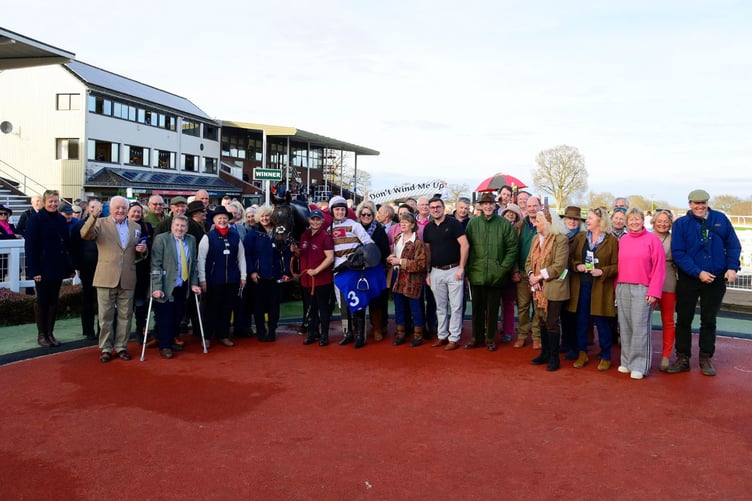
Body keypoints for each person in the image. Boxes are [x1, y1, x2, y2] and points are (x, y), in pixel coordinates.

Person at [667, 189, 741, 376]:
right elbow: (678, 253)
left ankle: (705, 357)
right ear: (690, 204)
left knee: (709, 320)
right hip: (689, 279)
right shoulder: (681, 224)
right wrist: (698, 272)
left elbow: (733, 244)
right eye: (696, 203)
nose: (700, 206)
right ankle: (683, 357)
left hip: (715, 278)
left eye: (703, 203)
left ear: (707, 203)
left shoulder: (720, 219)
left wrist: (732, 267)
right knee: (684, 319)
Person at [80, 196, 148, 362]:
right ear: (110, 209)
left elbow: (138, 252)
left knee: (126, 315)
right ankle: (106, 348)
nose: (120, 211)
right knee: (105, 316)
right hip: (106, 276)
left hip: (128, 276)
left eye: (123, 208)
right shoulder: (100, 223)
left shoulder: (136, 226)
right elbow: (85, 234)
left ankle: (121, 347)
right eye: (117, 208)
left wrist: (143, 250)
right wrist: (93, 216)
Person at [615, 208, 666, 379]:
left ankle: (639, 364)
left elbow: (659, 267)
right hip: (623, 286)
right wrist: (617, 288)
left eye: (637, 219)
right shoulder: (623, 239)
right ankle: (627, 361)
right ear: (627, 222)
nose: (634, 222)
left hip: (642, 288)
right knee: (625, 326)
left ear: (643, 221)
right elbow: (619, 265)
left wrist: (654, 291)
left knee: (640, 327)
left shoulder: (653, 240)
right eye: (631, 219)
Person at [464, 192, 518, 351]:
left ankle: (490, 339)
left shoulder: (504, 224)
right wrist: (467, 270)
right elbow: (466, 248)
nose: (487, 206)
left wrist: (503, 269)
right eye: (484, 203)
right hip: (476, 273)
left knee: (493, 309)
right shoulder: (473, 224)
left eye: (490, 203)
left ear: (495, 205)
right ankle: (476, 337)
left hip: (497, 275)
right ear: (480, 206)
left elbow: (512, 248)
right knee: (477, 309)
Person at [567, 207, 619, 370]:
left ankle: (606, 355)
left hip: (601, 286)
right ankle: (582, 352)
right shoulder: (581, 237)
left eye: (590, 218)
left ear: (600, 221)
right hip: (582, 285)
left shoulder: (611, 241)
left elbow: (617, 265)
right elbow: (571, 259)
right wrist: (578, 266)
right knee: (581, 320)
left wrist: (602, 271)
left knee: (602, 321)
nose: (586, 221)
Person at [329, 195, 379, 348]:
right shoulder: (328, 228)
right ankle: (347, 333)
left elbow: (369, 243)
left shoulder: (354, 225)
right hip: (337, 269)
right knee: (342, 303)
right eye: (337, 209)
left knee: (357, 302)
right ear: (332, 211)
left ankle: (360, 335)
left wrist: (356, 257)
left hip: (352, 268)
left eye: (342, 209)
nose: (340, 212)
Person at [24, 190, 73, 348]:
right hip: (42, 268)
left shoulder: (60, 219)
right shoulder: (35, 220)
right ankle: (42, 334)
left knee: (53, 301)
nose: (53, 204)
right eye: (50, 201)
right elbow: (30, 247)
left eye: (55, 201)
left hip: (57, 266)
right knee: (42, 301)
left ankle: (50, 333)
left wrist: (69, 266)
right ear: (44, 202)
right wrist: (35, 271)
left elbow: (65, 245)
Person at [150, 215, 202, 359]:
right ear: (172, 226)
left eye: (183, 226)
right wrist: (157, 287)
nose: (180, 228)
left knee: (177, 315)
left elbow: (193, 265)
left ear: (187, 228)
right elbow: (156, 264)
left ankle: (172, 339)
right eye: (177, 225)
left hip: (182, 285)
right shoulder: (162, 239)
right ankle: (165, 346)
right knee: (164, 317)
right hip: (165, 285)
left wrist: (193, 283)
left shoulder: (191, 240)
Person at [525, 210, 570, 371]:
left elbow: (559, 266)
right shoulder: (536, 239)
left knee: (551, 323)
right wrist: (532, 275)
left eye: (538, 221)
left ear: (548, 223)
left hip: (554, 288)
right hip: (538, 289)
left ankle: (554, 357)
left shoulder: (561, 239)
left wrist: (538, 277)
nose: (535, 224)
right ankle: (545, 353)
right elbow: (529, 261)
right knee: (542, 321)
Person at [423, 196, 468, 351]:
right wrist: (428, 273)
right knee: (440, 306)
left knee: (456, 306)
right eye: (433, 207)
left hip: (454, 270)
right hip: (435, 271)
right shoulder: (428, 228)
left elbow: (465, 245)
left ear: (443, 208)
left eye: (438, 207)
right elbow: (427, 252)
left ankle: (454, 337)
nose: (435, 209)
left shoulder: (454, 224)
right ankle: (442, 336)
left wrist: (462, 267)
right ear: (429, 209)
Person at [198, 206, 247, 347]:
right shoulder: (208, 237)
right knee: (210, 309)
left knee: (227, 309)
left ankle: (223, 335)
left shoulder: (235, 236)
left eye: (225, 217)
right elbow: (201, 259)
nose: (222, 220)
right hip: (213, 280)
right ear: (214, 220)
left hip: (232, 280)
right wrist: (202, 279)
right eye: (219, 217)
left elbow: (241, 257)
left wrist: (243, 276)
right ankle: (207, 336)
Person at [244, 204, 289, 342]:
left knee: (274, 305)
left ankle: (272, 329)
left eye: (267, 215)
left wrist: (287, 271)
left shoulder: (279, 232)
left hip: (275, 274)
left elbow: (286, 253)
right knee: (259, 305)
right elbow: (247, 254)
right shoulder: (253, 233)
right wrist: (251, 271)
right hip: (259, 276)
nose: (264, 218)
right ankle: (261, 330)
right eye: (262, 216)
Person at [292, 209, 334, 346]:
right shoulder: (304, 235)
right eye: (313, 219)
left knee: (323, 309)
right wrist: (296, 251)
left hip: (322, 280)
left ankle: (324, 335)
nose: (315, 222)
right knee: (310, 308)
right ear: (309, 220)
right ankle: (311, 333)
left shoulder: (326, 237)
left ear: (322, 221)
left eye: (317, 219)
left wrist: (317, 270)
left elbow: (330, 257)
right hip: (306, 280)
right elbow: (302, 253)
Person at [386, 212, 427, 347]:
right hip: (398, 278)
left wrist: (400, 261)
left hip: (412, 280)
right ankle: (400, 333)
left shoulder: (417, 243)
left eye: (406, 222)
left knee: (415, 308)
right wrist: (391, 258)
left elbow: (420, 265)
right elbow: (395, 254)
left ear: (413, 225)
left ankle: (418, 335)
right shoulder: (397, 238)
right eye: (401, 222)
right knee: (399, 308)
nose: (402, 224)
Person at [357, 201, 390, 342]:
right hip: (358, 269)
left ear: (373, 215)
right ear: (359, 215)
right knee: (359, 301)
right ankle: (359, 330)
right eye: (363, 214)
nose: (366, 216)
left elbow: (385, 250)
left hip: (375, 269)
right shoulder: (355, 228)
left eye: (369, 214)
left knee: (377, 300)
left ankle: (377, 327)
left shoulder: (379, 229)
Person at [70, 198, 102, 340]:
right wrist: (76, 266)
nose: (96, 210)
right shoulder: (80, 226)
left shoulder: (106, 225)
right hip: (87, 267)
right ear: (88, 208)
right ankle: (88, 330)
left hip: (103, 267)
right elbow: (74, 247)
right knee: (88, 298)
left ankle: (102, 329)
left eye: (99, 207)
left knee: (103, 300)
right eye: (93, 207)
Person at [514, 195, 542, 348]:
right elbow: (514, 250)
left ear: (539, 207)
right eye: (529, 206)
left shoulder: (545, 225)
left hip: (539, 275)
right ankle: (523, 334)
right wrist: (515, 270)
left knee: (538, 306)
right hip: (523, 274)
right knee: (523, 305)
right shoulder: (520, 226)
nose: (532, 209)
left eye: (534, 206)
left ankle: (537, 335)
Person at [651, 209, 677, 371]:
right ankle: (642, 353)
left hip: (668, 281)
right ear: (653, 222)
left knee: (668, 320)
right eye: (659, 220)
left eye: (666, 221)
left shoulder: (674, 239)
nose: (662, 224)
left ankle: (666, 355)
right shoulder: (646, 236)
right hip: (648, 282)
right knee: (644, 320)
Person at [559, 206, 585, 359]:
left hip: (576, 279)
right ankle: (566, 341)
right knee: (563, 312)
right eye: (570, 219)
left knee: (575, 314)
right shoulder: (560, 235)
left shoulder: (582, 237)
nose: (572, 222)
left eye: (575, 219)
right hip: (562, 279)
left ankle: (576, 346)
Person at [127, 202, 155, 345]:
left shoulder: (147, 227)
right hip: (125, 271)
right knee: (125, 306)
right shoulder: (122, 226)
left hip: (142, 271)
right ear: (127, 212)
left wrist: (145, 248)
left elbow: (152, 246)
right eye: (134, 211)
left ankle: (140, 331)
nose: (136, 214)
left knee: (140, 304)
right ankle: (122, 334)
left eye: (139, 212)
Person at [499, 204, 523, 343]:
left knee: (508, 302)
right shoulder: (498, 228)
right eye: (508, 213)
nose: (510, 216)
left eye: (513, 214)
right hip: (497, 271)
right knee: (492, 302)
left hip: (510, 271)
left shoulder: (518, 230)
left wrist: (514, 270)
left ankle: (508, 330)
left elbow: (515, 253)